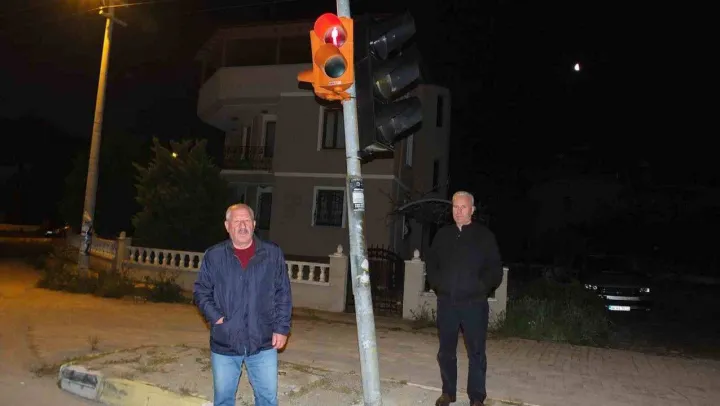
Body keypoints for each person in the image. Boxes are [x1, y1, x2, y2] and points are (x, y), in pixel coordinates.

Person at [193, 203, 292, 406]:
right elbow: (201, 291)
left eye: (246, 220)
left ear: (254, 224)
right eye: (237, 221)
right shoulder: (214, 255)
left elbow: (283, 293)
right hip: (225, 342)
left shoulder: (272, 254)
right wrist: (217, 318)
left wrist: (281, 328)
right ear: (227, 226)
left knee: (267, 399)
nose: (242, 225)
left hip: (263, 342)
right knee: (223, 400)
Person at [426, 191, 503, 406]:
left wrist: (480, 288)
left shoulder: (484, 236)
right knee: (446, 351)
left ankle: (476, 397)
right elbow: (432, 264)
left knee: (476, 352)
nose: (458, 211)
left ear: (472, 210)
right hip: (447, 303)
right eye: (455, 207)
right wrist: (438, 285)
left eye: (463, 207)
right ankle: (448, 393)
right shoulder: (443, 235)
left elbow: (495, 270)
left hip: (474, 304)